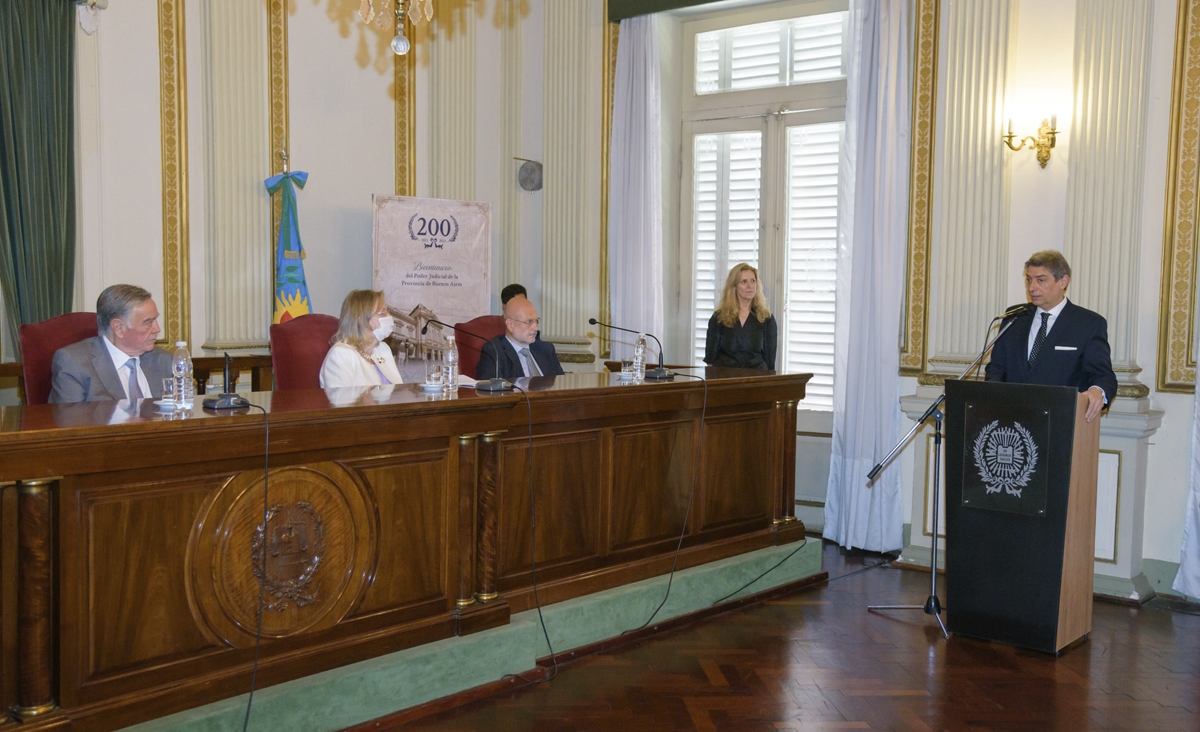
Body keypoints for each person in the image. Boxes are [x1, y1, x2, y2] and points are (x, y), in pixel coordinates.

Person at [985, 250, 1117, 423]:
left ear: (1063, 281)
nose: (1032, 287)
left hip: (1060, 422)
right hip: (1010, 421)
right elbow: (997, 367)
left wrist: (1097, 391)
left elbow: (1103, 375)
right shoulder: (1015, 317)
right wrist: (993, 399)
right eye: (1029, 279)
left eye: (1041, 280)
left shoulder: (1088, 324)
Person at [50, 284, 175, 403]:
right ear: (119, 328)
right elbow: (70, 420)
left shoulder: (165, 361)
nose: (157, 329)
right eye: (148, 322)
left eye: (155, 320)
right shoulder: (74, 363)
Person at [319, 289, 403, 388]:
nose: (389, 316)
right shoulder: (341, 355)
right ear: (361, 320)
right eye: (382, 313)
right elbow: (341, 402)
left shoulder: (383, 349)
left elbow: (398, 392)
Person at [704, 263, 777, 370]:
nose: (750, 286)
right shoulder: (719, 318)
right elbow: (710, 359)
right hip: (725, 378)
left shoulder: (766, 318)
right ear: (734, 286)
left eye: (753, 281)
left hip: (757, 379)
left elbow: (770, 361)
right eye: (744, 282)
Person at [477, 295, 564, 379]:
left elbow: (561, 385)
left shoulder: (546, 350)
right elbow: (491, 391)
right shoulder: (494, 352)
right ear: (510, 324)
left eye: (536, 321)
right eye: (529, 322)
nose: (536, 328)